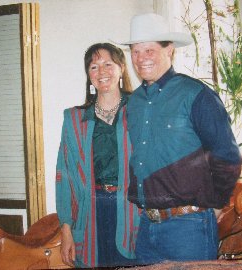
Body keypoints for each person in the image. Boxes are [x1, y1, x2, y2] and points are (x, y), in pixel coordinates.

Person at [120, 13, 242, 265]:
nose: (141, 58)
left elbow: (227, 156)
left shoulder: (196, 94)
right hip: (146, 226)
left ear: (170, 51)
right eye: (136, 51)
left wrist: (216, 204)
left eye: (149, 50)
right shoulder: (134, 103)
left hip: (189, 228)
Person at [55, 43, 140, 268]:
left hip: (133, 215)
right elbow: (65, 175)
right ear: (88, 76)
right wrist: (66, 228)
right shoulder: (74, 119)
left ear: (121, 68)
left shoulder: (141, 110)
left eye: (108, 64)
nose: (101, 72)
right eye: (94, 67)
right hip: (90, 215)